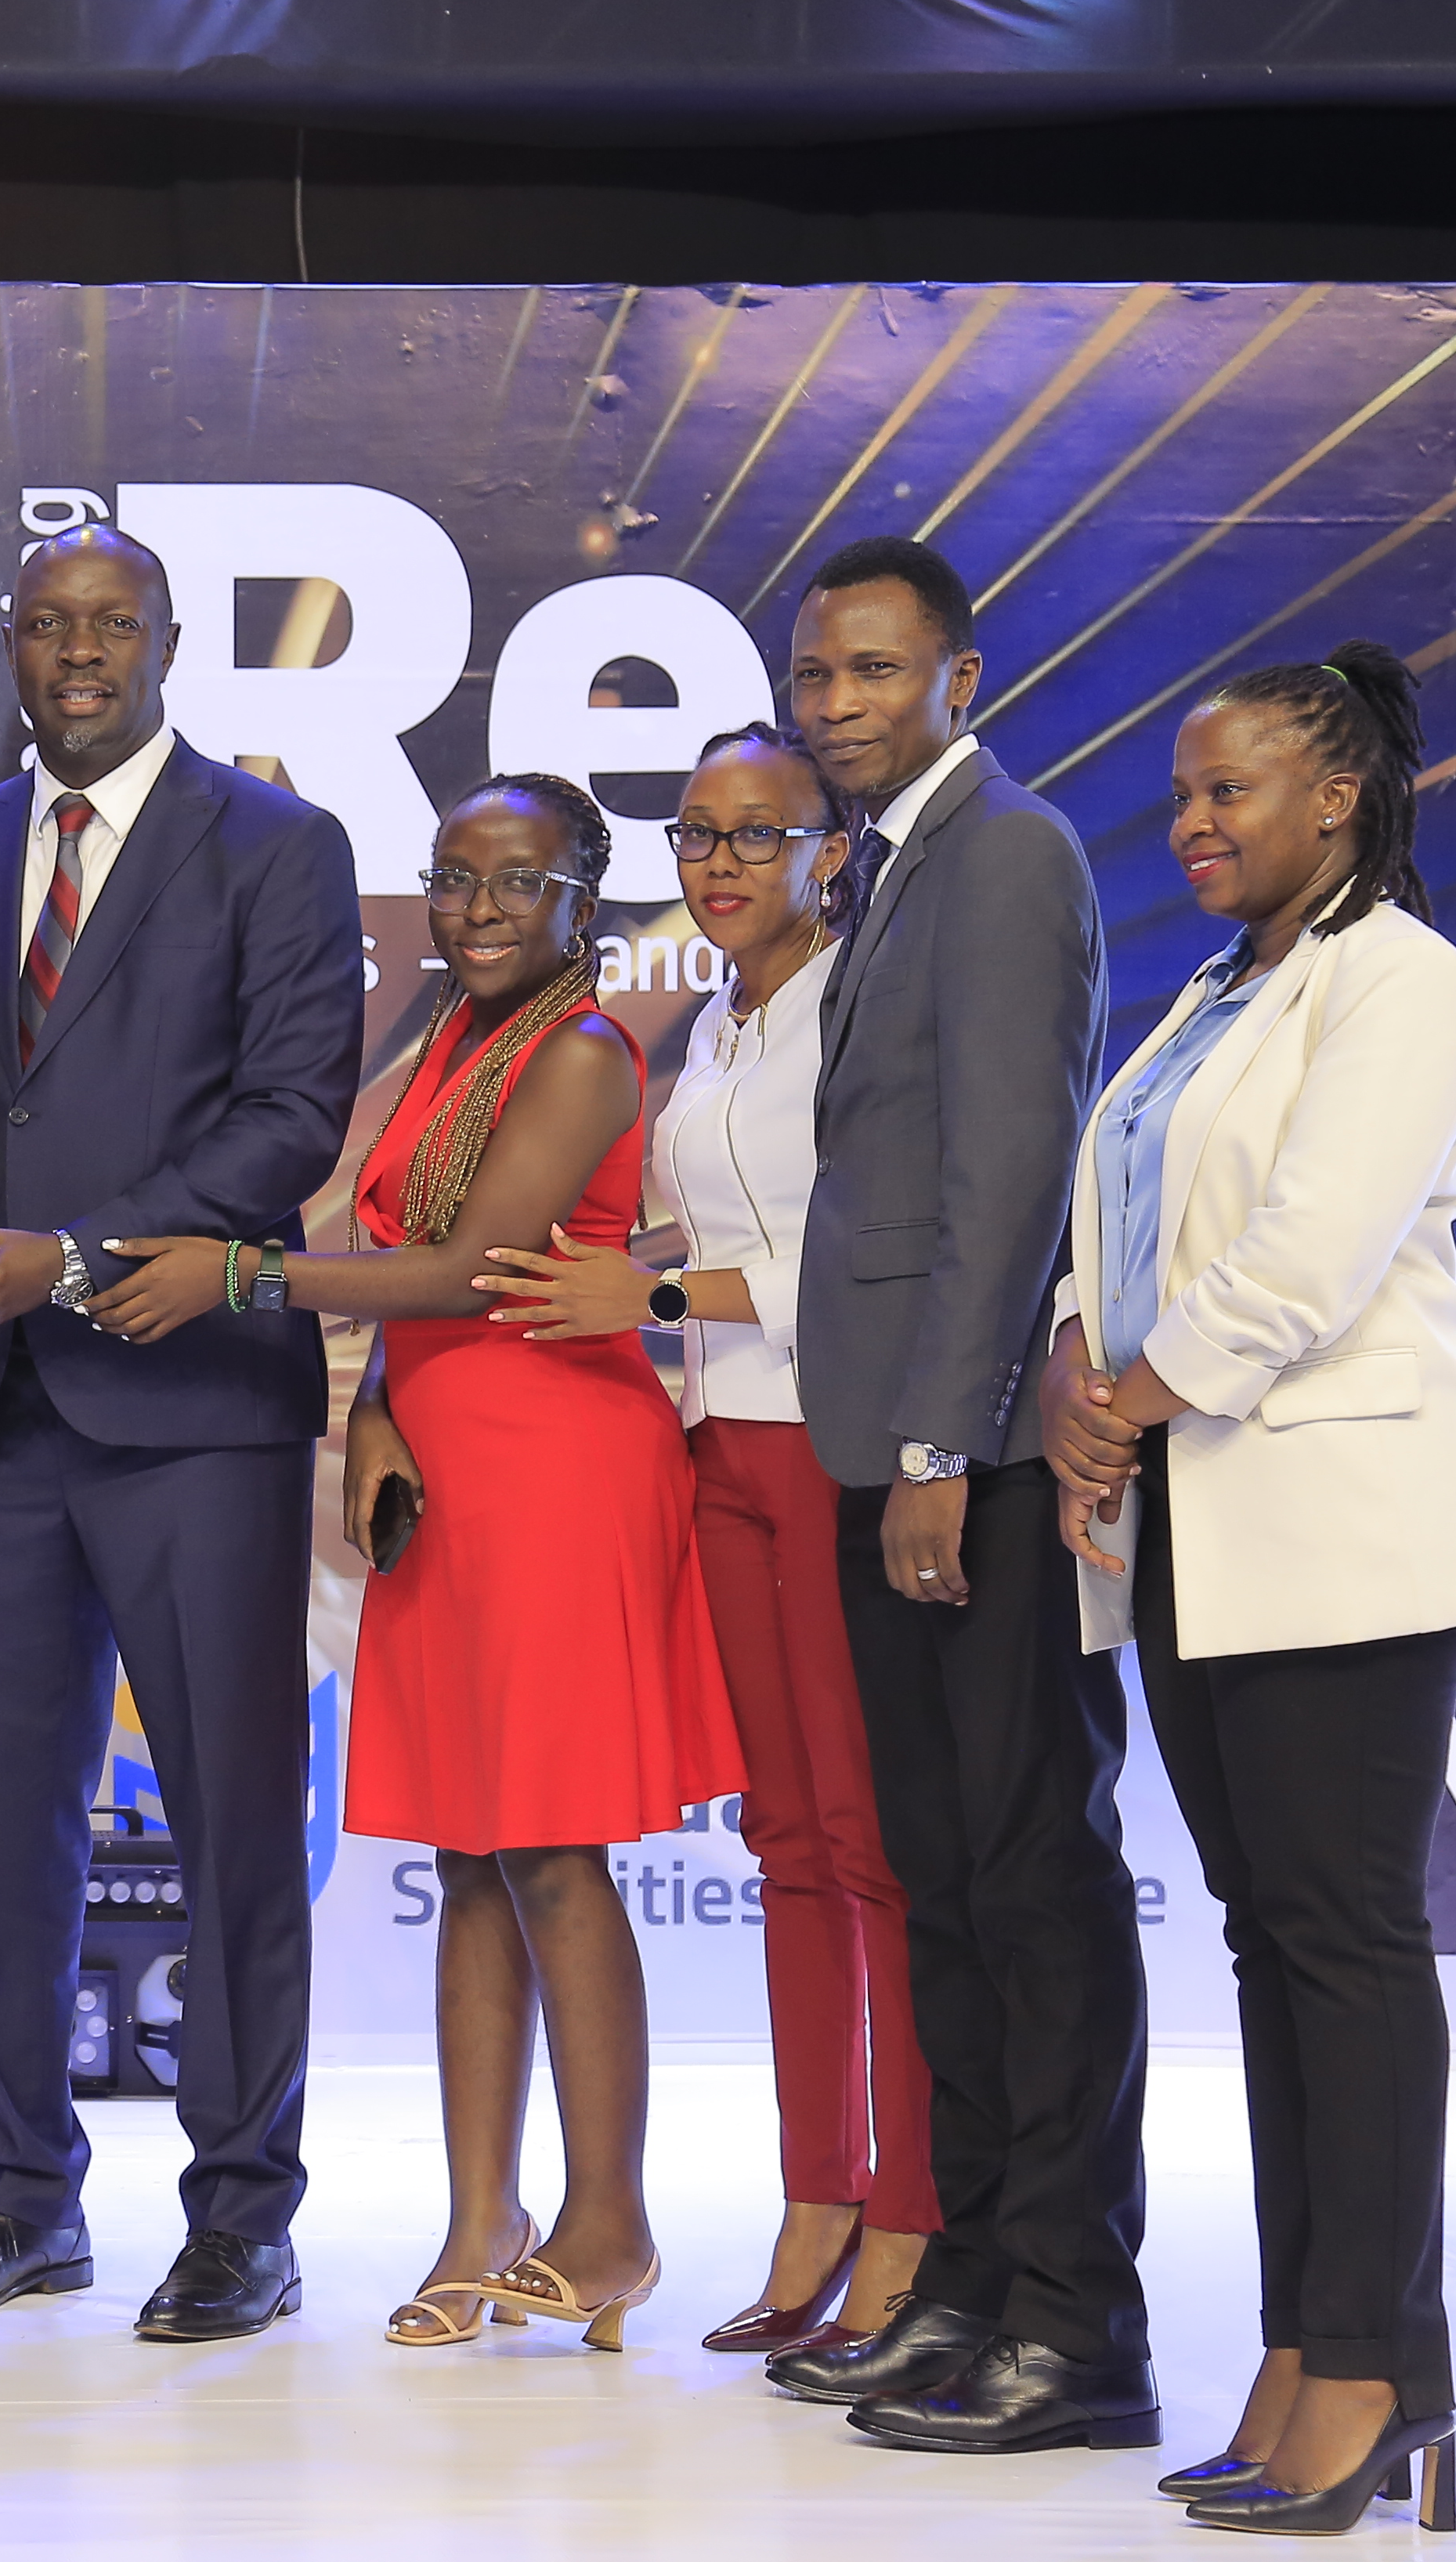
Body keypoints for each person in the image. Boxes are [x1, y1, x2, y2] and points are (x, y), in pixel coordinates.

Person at [88, 773, 743, 2354]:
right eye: (454, 880)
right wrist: (376, 1406)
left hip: (559, 1468)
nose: (478, 909)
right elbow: (414, 1290)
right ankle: (481, 2220)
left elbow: (467, 1266)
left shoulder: (585, 1054)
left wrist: (240, 1276)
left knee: (556, 1852)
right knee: (468, 1853)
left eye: (517, 881)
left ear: (586, 896)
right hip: (448, 1465)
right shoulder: (457, 1039)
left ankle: (614, 2223)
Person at [1039, 645, 1456, 2536]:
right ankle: (1303, 2345)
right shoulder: (1207, 992)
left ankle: (1379, 2367)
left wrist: (1126, 1398)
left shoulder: (1399, 976)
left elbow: (1307, 1257)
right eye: (1178, 797)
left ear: (1333, 797)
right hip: (1199, 1521)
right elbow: (1126, 1225)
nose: (1190, 825)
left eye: (1228, 792)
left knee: (1343, 1948)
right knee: (1272, 1948)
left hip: (1346, 1524)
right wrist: (1090, 1382)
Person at [0, 522, 364, 2346]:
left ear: (165, 640)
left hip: (191, 1405)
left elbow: (297, 1114)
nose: (82, 651)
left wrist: (81, 1251)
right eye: (50, 624)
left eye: (112, 624)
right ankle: (21, 2198)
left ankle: (242, 2217)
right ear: (13, 643)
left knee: (232, 1821)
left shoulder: (280, 845)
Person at [479, 721, 941, 2359]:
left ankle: (910, 2214)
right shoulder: (718, 1030)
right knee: (791, 1845)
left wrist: (653, 1289)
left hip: (835, 1450)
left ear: (833, 849)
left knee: (874, 1849)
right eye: (696, 836)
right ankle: (818, 2194)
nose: (724, 863)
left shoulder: (866, 1004)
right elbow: (721, 1219)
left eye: (760, 834)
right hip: (720, 1458)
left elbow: (883, 1253)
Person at [756, 538, 1149, 2455]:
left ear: (961, 680)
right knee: (948, 1893)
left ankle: (1079, 2323)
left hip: (972, 1463)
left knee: (1033, 1882)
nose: (831, 700)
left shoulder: (1008, 853)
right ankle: (979, 2281)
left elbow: (1008, 1171)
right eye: (813, 671)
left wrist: (936, 1448)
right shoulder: (887, 865)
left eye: (869, 671)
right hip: (887, 1445)